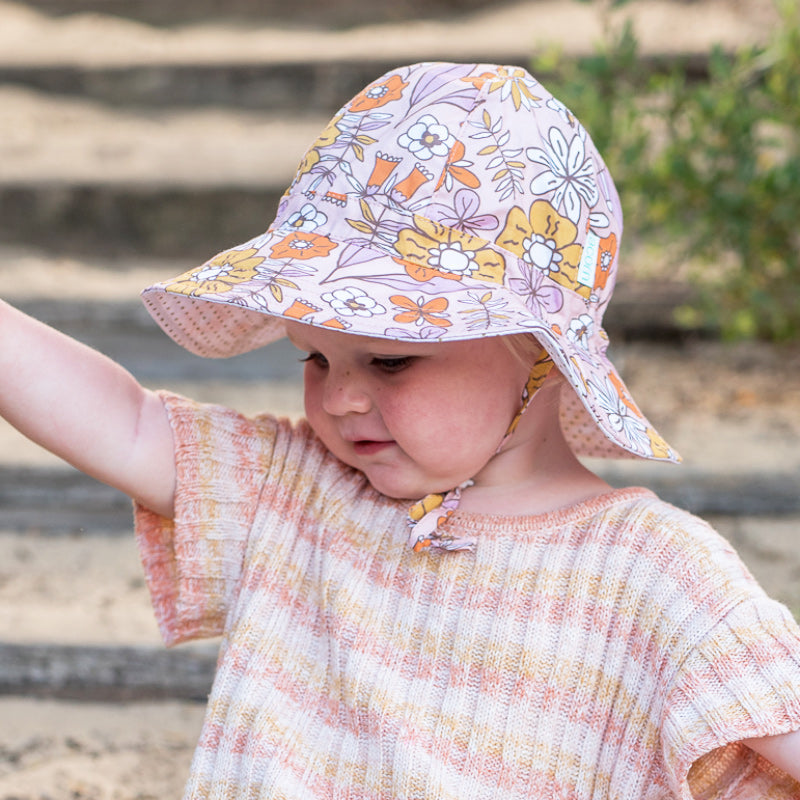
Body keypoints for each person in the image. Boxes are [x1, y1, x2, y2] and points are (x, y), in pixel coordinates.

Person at [1, 61, 799, 798]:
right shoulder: (298, 493)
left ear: (540, 355)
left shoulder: (655, 576)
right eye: (313, 359)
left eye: (389, 362)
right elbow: (126, 421)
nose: (340, 399)